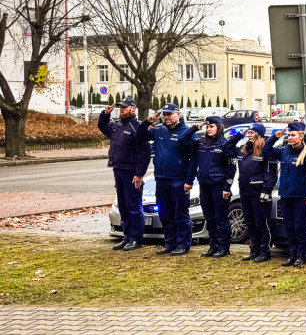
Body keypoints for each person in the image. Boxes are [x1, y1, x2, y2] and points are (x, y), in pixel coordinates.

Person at [137, 103, 199, 256]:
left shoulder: (187, 132)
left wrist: (189, 181)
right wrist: (147, 122)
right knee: (165, 214)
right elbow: (139, 135)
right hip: (162, 179)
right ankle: (170, 243)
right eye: (164, 114)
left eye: (169, 114)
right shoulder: (159, 131)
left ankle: (183, 244)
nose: (166, 117)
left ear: (178, 114)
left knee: (180, 214)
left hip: (179, 180)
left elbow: (194, 159)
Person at [98, 98, 150, 252]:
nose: (122, 109)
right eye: (121, 107)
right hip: (118, 170)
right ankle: (127, 237)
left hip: (131, 173)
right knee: (124, 207)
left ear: (133, 109)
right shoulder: (117, 125)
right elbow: (103, 127)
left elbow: (145, 153)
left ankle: (136, 239)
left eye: (125, 107)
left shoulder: (138, 128)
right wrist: (105, 115)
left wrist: (139, 174)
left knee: (133, 207)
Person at [187, 116, 241, 259]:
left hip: (219, 186)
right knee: (209, 218)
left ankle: (224, 248)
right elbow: (183, 140)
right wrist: (194, 128)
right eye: (207, 127)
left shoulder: (225, 144)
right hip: (205, 185)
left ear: (219, 127)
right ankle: (213, 246)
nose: (209, 129)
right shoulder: (201, 144)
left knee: (221, 218)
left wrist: (227, 187)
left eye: (212, 127)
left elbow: (231, 167)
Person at [267, 121, 306, 267]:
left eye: (293, 135)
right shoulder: (284, 151)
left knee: (299, 228)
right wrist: (274, 137)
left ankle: (302, 255)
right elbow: (266, 151)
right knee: (289, 227)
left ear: (301, 136)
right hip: (285, 196)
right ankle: (292, 254)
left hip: (300, 197)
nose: (290, 137)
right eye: (289, 135)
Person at [235, 122, 277, 263]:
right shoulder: (245, 149)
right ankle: (254, 250)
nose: (249, 134)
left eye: (252, 132)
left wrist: (266, 192)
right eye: (248, 133)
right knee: (250, 223)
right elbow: (228, 148)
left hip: (259, 193)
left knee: (261, 224)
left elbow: (271, 174)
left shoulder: (265, 150)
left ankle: (265, 251)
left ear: (259, 134)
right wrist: (237, 136)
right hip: (245, 191)